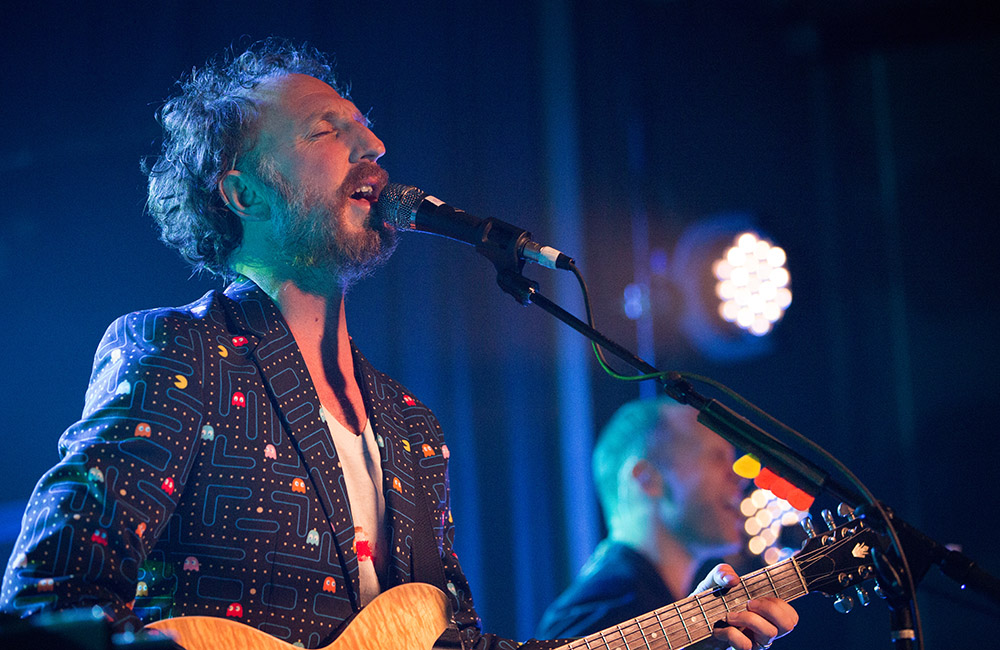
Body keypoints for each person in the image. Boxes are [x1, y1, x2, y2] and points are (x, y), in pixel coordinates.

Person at [1, 39, 796, 650]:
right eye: (329, 128)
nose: (373, 142)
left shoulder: (412, 429)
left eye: (365, 124)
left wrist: (681, 631)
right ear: (242, 190)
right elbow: (48, 600)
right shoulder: (182, 354)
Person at [536, 398, 777, 645]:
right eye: (717, 457)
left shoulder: (641, 600)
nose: (739, 477)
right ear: (647, 479)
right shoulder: (603, 608)